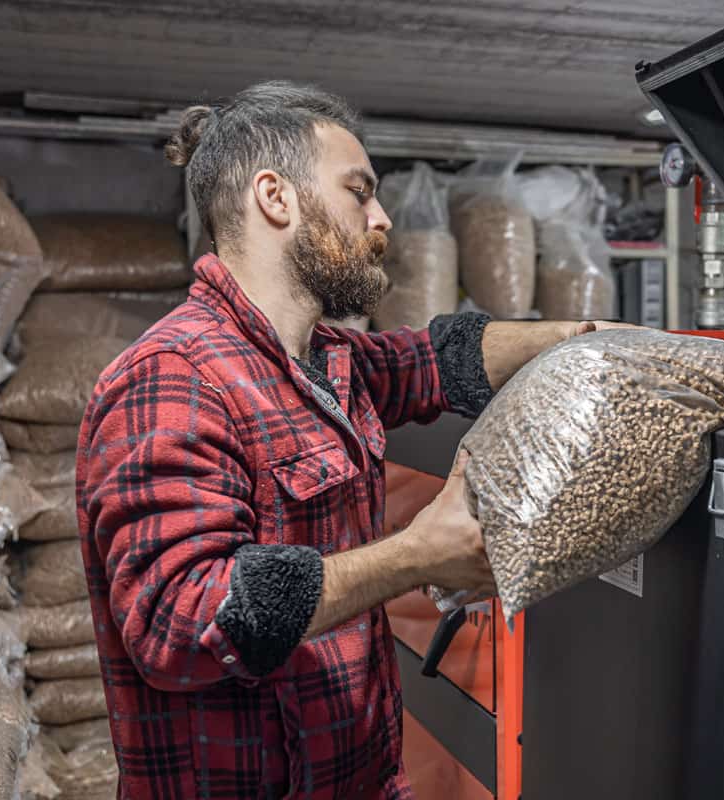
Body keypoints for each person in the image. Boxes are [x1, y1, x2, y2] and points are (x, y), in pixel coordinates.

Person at [76, 80, 624, 799]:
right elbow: (180, 621)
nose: (382, 218)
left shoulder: (333, 361)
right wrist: (417, 556)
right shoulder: (173, 378)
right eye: (358, 191)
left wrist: (589, 340)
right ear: (277, 198)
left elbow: (440, 357)